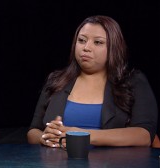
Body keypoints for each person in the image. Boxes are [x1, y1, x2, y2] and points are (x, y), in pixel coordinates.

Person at [27, 15, 158, 148]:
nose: (86, 47)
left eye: (98, 42)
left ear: (114, 47)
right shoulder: (56, 80)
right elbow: (33, 131)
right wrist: (45, 138)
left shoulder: (133, 82)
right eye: (82, 40)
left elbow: (144, 136)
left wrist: (84, 136)